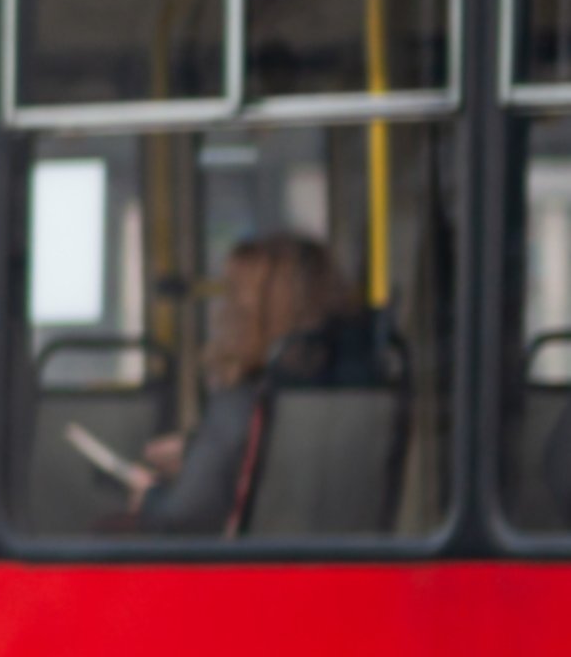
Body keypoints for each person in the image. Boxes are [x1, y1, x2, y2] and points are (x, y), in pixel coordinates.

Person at [90, 228, 391, 531]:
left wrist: (150, 497)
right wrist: (195, 450)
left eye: (230, 296)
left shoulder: (244, 402)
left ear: (249, 314)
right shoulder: (358, 394)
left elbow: (185, 513)